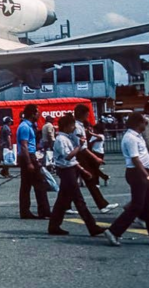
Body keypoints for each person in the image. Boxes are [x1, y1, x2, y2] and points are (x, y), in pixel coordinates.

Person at [48, 114, 105, 237]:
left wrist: (82, 169)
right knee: (79, 200)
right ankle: (92, 226)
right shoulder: (61, 140)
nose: (74, 128)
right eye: (72, 125)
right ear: (67, 126)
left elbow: (71, 160)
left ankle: (54, 225)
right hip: (66, 171)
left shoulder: (66, 138)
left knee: (62, 200)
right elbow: (68, 156)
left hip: (69, 169)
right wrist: (79, 146)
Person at [104, 113, 149, 246]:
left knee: (147, 204)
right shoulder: (130, 138)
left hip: (142, 171)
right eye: (144, 123)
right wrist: (145, 175)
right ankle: (114, 231)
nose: (145, 125)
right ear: (137, 123)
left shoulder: (137, 136)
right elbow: (135, 159)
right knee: (137, 205)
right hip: (137, 172)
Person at [73, 104, 116, 213]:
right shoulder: (78, 127)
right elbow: (82, 147)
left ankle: (102, 205)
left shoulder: (80, 126)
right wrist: (95, 158)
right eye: (87, 113)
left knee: (74, 182)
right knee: (87, 179)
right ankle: (102, 205)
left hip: (78, 155)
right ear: (82, 114)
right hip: (79, 156)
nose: (88, 115)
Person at [17, 104, 51, 220]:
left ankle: (25, 211)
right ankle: (44, 210)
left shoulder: (29, 126)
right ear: (32, 114)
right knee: (39, 183)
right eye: (37, 112)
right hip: (28, 157)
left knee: (26, 185)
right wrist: (29, 163)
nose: (39, 114)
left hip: (30, 156)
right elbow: (24, 146)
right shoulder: (25, 127)